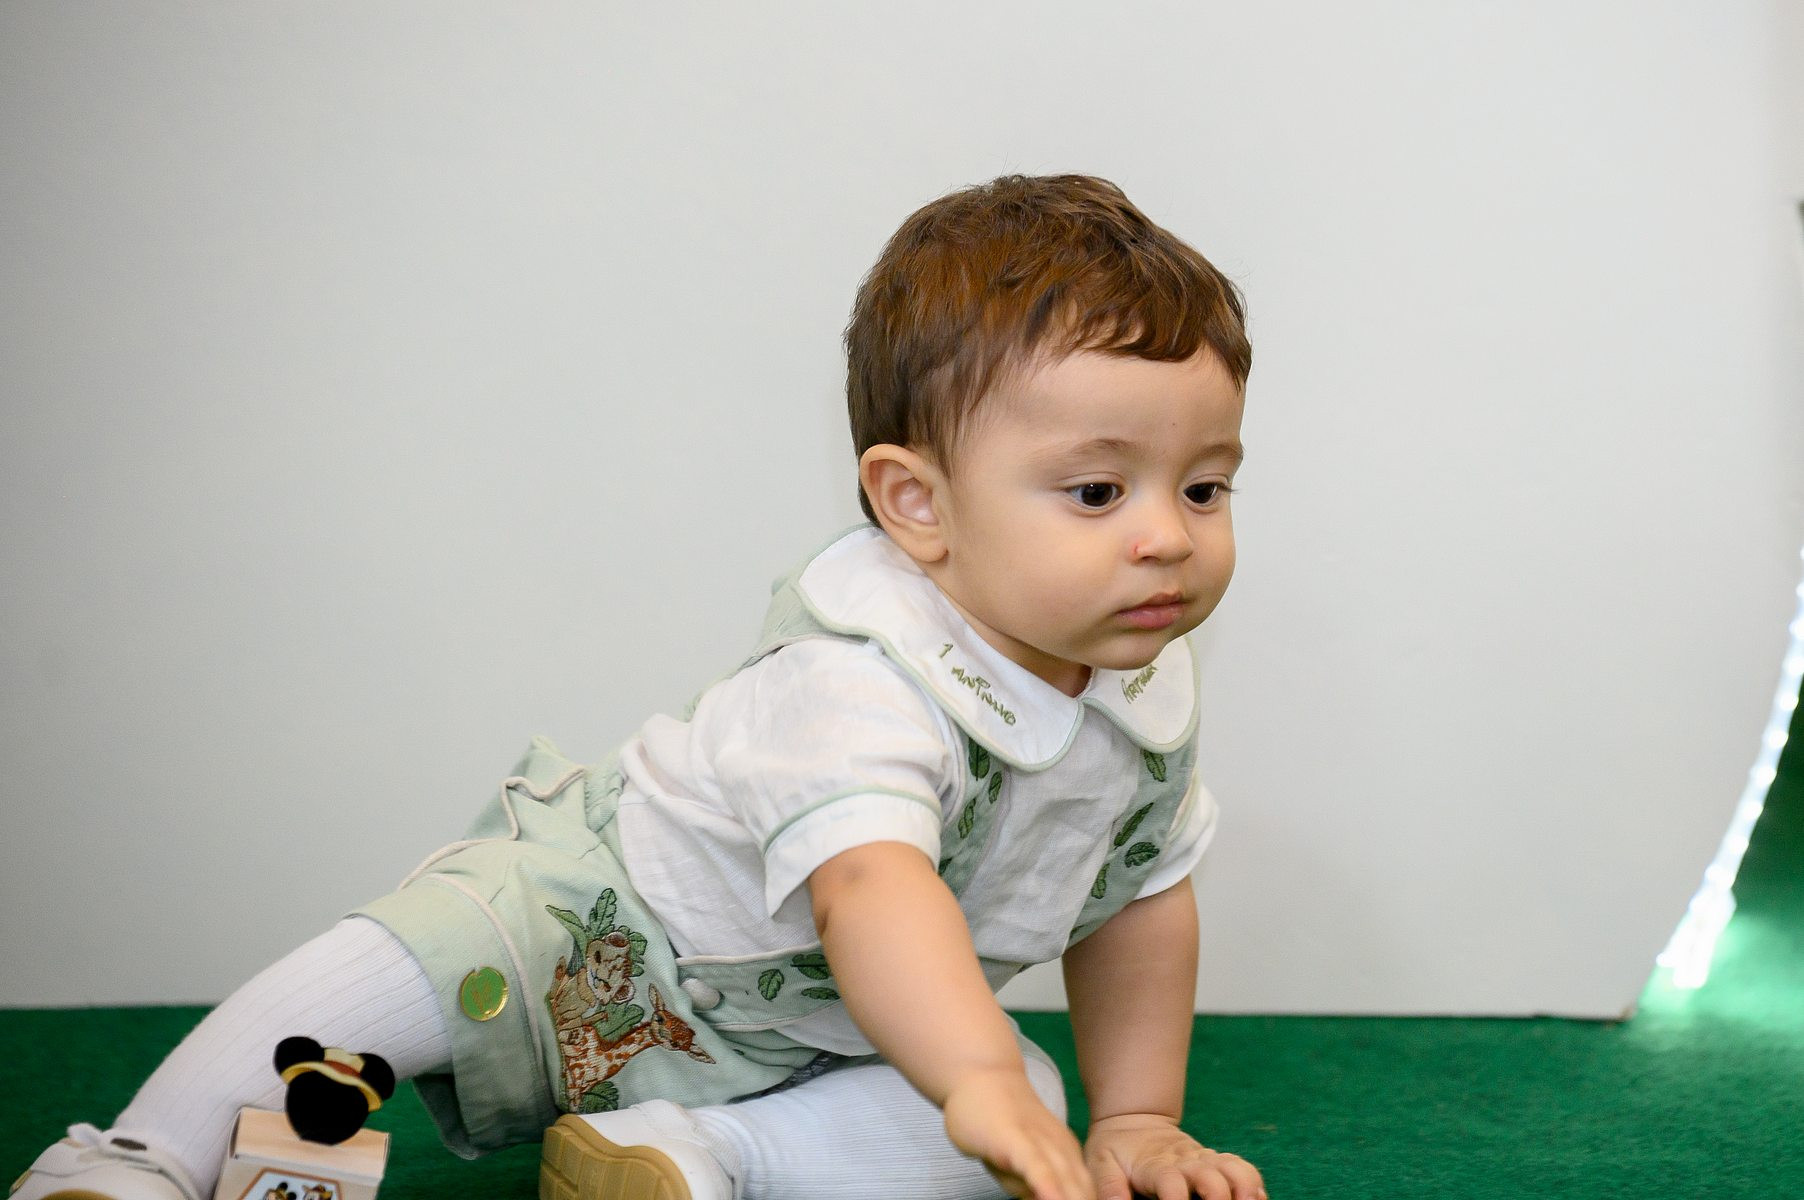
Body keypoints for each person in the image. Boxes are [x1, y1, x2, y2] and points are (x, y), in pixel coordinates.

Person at [11, 173, 1264, 1200]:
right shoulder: (858, 673)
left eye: (1204, 486)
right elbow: (870, 888)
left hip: (799, 1044)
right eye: (1097, 491)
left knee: (1021, 1116)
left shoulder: (1136, 700)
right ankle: (137, 1161)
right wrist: (973, 1069)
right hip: (591, 936)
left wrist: (1135, 1117)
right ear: (916, 505)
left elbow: (1139, 898)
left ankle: (690, 1156)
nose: (1166, 536)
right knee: (375, 983)